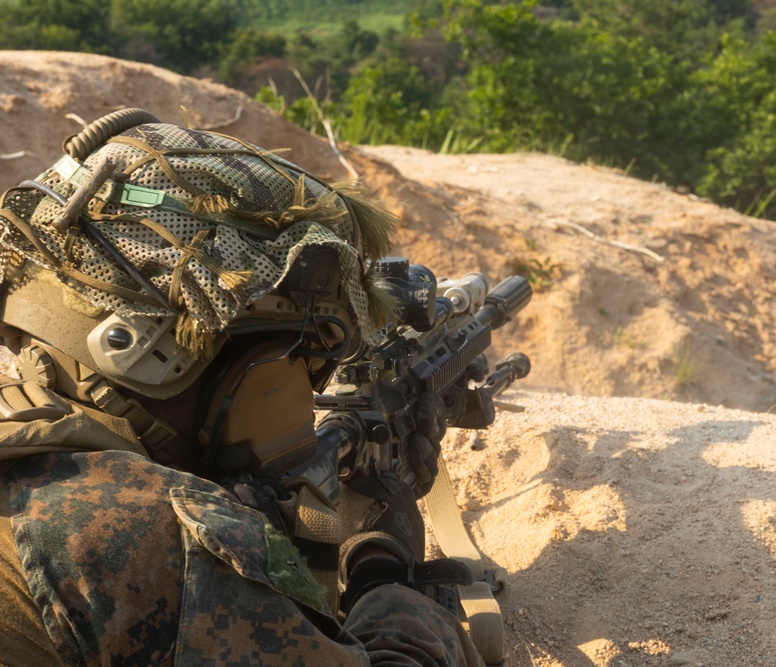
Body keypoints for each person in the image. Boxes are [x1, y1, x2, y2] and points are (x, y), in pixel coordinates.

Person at [0, 110, 484, 666]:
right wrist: (386, 571)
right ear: (151, 353)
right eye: (295, 354)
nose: (306, 383)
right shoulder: (160, 534)